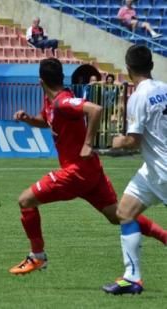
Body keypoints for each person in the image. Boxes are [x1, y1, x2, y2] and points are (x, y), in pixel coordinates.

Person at [8, 58, 166, 275]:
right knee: (120, 215)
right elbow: (46, 120)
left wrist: (87, 143)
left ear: (40, 81)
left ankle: (38, 257)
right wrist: (28, 119)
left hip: (76, 172)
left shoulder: (63, 102)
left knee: (25, 201)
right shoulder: (51, 102)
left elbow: (95, 109)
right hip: (91, 172)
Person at [102, 45, 167, 295]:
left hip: (161, 170)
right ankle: (132, 278)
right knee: (125, 211)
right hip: (151, 170)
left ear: (128, 69)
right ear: (151, 65)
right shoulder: (164, 88)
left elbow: (133, 142)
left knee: (125, 213)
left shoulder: (138, 97)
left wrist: (116, 141)